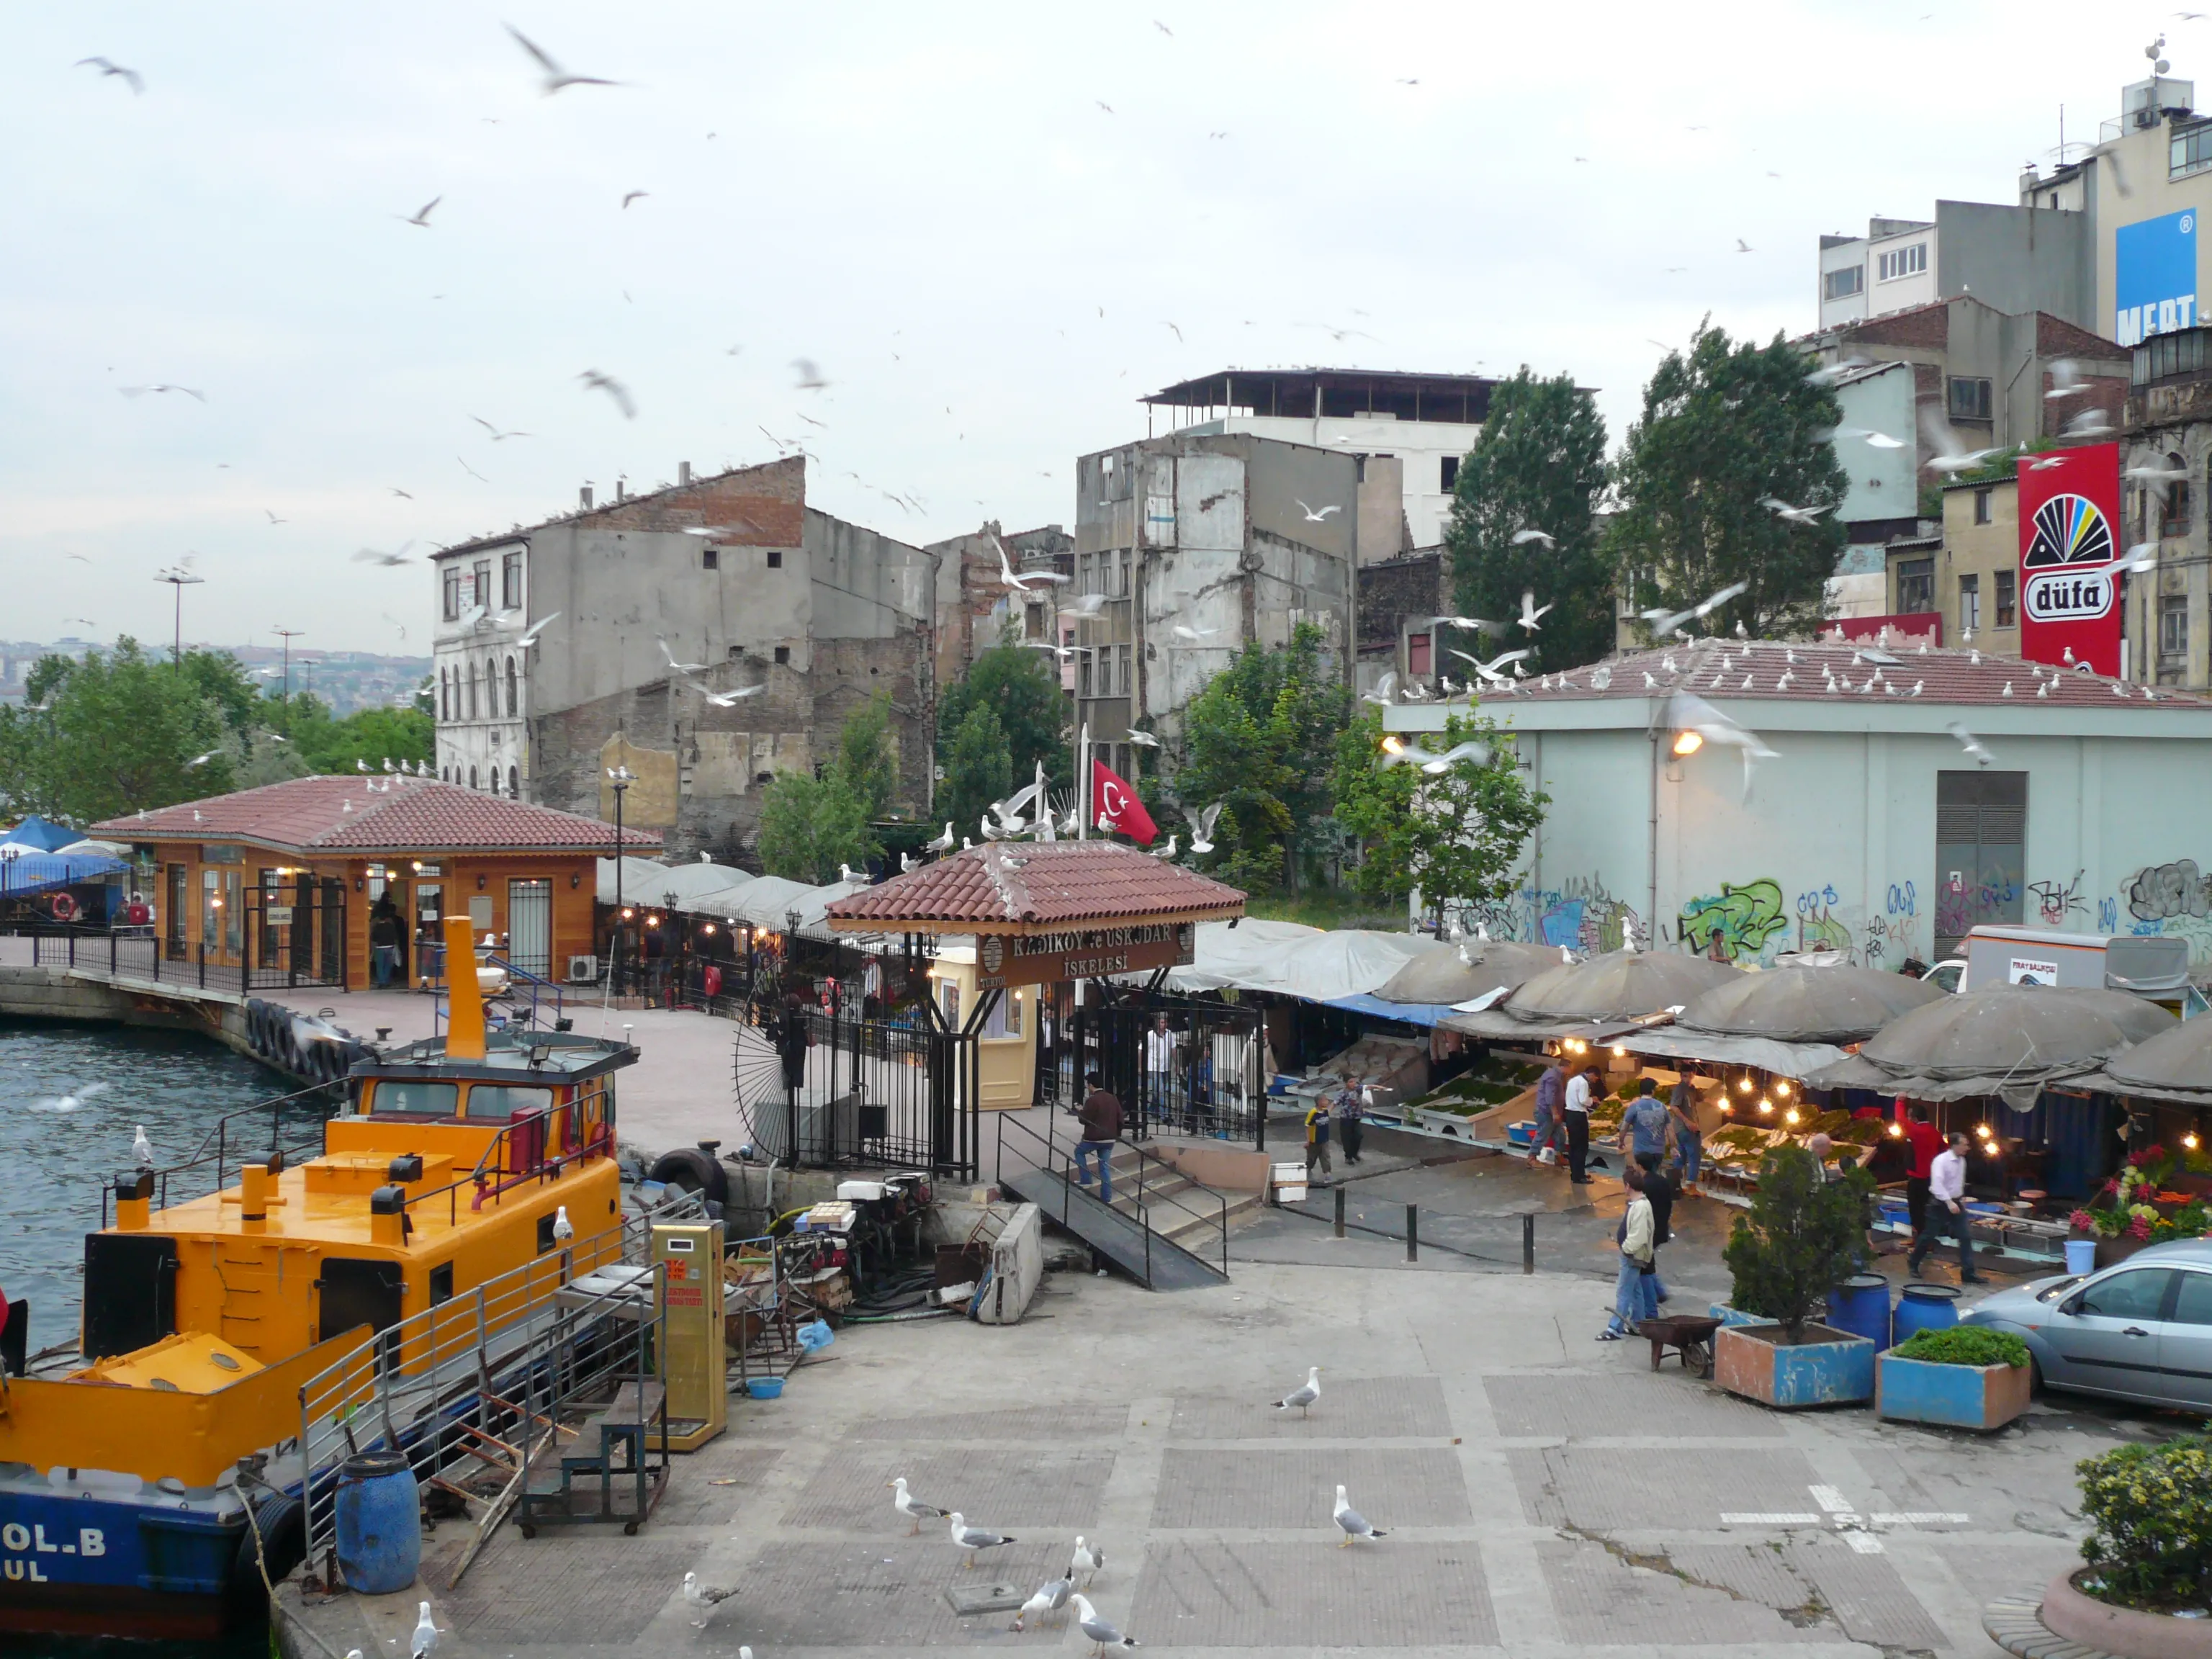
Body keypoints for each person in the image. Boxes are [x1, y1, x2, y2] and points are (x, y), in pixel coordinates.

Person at [1907, 1131, 1983, 1282]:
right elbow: (1937, 1185)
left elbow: (1957, 1182)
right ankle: (1914, 1261)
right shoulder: (1940, 1161)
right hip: (1940, 1203)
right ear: (1955, 1145)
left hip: (1956, 1203)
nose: (1967, 1148)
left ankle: (1968, 1272)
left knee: (1965, 1236)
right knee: (1929, 1235)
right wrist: (1949, 1202)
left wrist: (1960, 1198)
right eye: (1965, 1144)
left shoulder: (1962, 1161)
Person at [1600, 1165, 1654, 1339]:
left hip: (1632, 1256)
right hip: (1635, 1256)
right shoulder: (1639, 1205)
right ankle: (1638, 1324)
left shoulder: (1640, 1207)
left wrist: (1625, 1249)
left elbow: (1638, 1236)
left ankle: (1614, 1329)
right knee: (1635, 1290)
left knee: (1623, 1291)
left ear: (1628, 1186)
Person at [1073, 1070, 1122, 1202]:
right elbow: (1120, 1119)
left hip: (1094, 1138)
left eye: (1088, 1085)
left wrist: (1080, 1111)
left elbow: (1085, 1120)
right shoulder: (1112, 1098)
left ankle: (1086, 1179)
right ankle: (1106, 1198)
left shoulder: (1093, 1100)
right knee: (1104, 1167)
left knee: (1079, 1152)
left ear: (1091, 1085)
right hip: (1110, 1139)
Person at [1903, 1105, 1943, 1249]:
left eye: (1910, 1116)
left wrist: (1899, 1102)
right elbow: (1943, 1149)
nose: (1908, 1119)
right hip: (1929, 1177)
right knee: (1925, 1209)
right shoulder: (1934, 1131)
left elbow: (1899, 1119)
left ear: (1915, 1118)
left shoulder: (1917, 1130)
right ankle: (1922, 1239)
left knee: (1916, 1210)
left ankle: (1922, 1242)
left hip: (1917, 1177)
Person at [1640, 1163, 1675, 1318]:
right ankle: (1659, 1292)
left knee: (1646, 1266)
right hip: (1660, 1229)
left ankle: (1656, 1297)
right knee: (1649, 1262)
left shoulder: (1646, 1187)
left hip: (1650, 1232)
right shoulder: (1662, 1182)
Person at [1620, 1077, 1671, 1174]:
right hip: (1658, 1151)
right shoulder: (1662, 1106)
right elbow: (1670, 1130)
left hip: (1641, 1151)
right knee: (1653, 1174)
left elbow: (1624, 1127)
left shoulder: (1634, 1106)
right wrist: (1673, 1146)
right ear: (1653, 1091)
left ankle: (1646, 1188)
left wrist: (1621, 1141)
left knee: (1643, 1176)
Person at [1529, 1057, 1567, 1167]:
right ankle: (1532, 1158)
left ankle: (1559, 1157)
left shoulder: (1555, 1075)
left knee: (1560, 1135)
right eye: (1570, 1069)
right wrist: (1555, 1113)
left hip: (1553, 1113)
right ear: (1565, 1067)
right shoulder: (1553, 1076)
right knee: (1543, 1135)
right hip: (1546, 1112)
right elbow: (1549, 1097)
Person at [1666, 1075, 1703, 1191]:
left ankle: (1675, 1185)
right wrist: (1687, 1122)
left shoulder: (1691, 1089)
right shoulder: (1679, 1089)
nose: (1688, 1078)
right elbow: (1673, 1106)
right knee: (1694, 1158)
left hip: (1683, 1130)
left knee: (1680, 1157)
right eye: (1685, 1076)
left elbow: (1701, 1098)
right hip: (1686, 1129)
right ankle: (1691, 1187)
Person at [1562, 1062, 1595, 1184]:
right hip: (1578, 1116)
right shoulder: (1583, 1082)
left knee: (1573, 1146)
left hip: (1570, 1114)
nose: (1594, 1080)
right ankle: (1580, 1176)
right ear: (1591, 1074)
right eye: (1595, 1078)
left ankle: (1575, 1174)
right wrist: (1592, 1100)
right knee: (1582, 1147)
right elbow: (1583, 1100)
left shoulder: (1572, 1080)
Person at [1144, 1014, 1177, 1123]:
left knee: (1158, 1091)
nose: (1164, 1024)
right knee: (1161, 1091)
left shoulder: (1170, 1034)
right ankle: (1165, 1115)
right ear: (1158, 1023)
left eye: (1165, 1022)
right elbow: (1141, 1050)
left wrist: (1176, 1064)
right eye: (1162, 1022)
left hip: (1166, 1067)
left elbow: (1173, 1049)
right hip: (1154, 1067)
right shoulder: (1150, 1035)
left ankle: (1153, 1109)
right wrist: (1141, 1066)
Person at [1334, 1074, 1366, 1165]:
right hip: (1346, 1119)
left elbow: (1368, 1087)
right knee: (1347, 1138)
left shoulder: (1358, 1089)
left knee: (1358, 1136)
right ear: (1346, 1083)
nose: (1353, 1084)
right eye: (1350, 1082)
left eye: (1354, 1081)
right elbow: (1335, 1103)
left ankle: (1354, 1153)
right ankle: (1348, 1157)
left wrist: (1380, 1088)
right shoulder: (1343, 1093)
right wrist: (1327, 1112)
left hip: (1356, 1118)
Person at [369, 900, 402, 988]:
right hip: (390, 947)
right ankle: (386, 981)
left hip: (379, 948)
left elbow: (374, 938)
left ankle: (381, 982)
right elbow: (395, 937)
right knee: (388, 965)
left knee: (380, 966)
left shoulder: (377, 928)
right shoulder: (390, 926)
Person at [1303, 1094, 1334, 1185]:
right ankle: (1308, 1170)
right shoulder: (1313, 1113)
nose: (1327, 1102)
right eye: (1325, 1100)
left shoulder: (1325, 1111)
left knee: (1325, 1157)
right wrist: (1308, 1140)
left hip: (1324, 1140)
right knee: (1312, 1158)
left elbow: (1331, 1108)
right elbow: (1307, 1126)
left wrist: (1336, 1102)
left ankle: (1327, 1173)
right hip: (1314, 1140)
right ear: (1319, 1102)